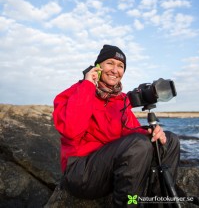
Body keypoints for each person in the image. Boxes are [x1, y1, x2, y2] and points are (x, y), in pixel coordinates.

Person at [53, 44, 180, 207]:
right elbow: (71, 130)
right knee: (138, 144)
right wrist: (88, 86)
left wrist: (151, 133)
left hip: (110, 171)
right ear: (97, 66)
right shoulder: (74, 92)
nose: (115, 70)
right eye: (110, 63)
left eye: (120, 66)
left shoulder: (121, 101)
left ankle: (158, 203)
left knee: (169, 140)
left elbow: (130, 133)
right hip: (81, 172)